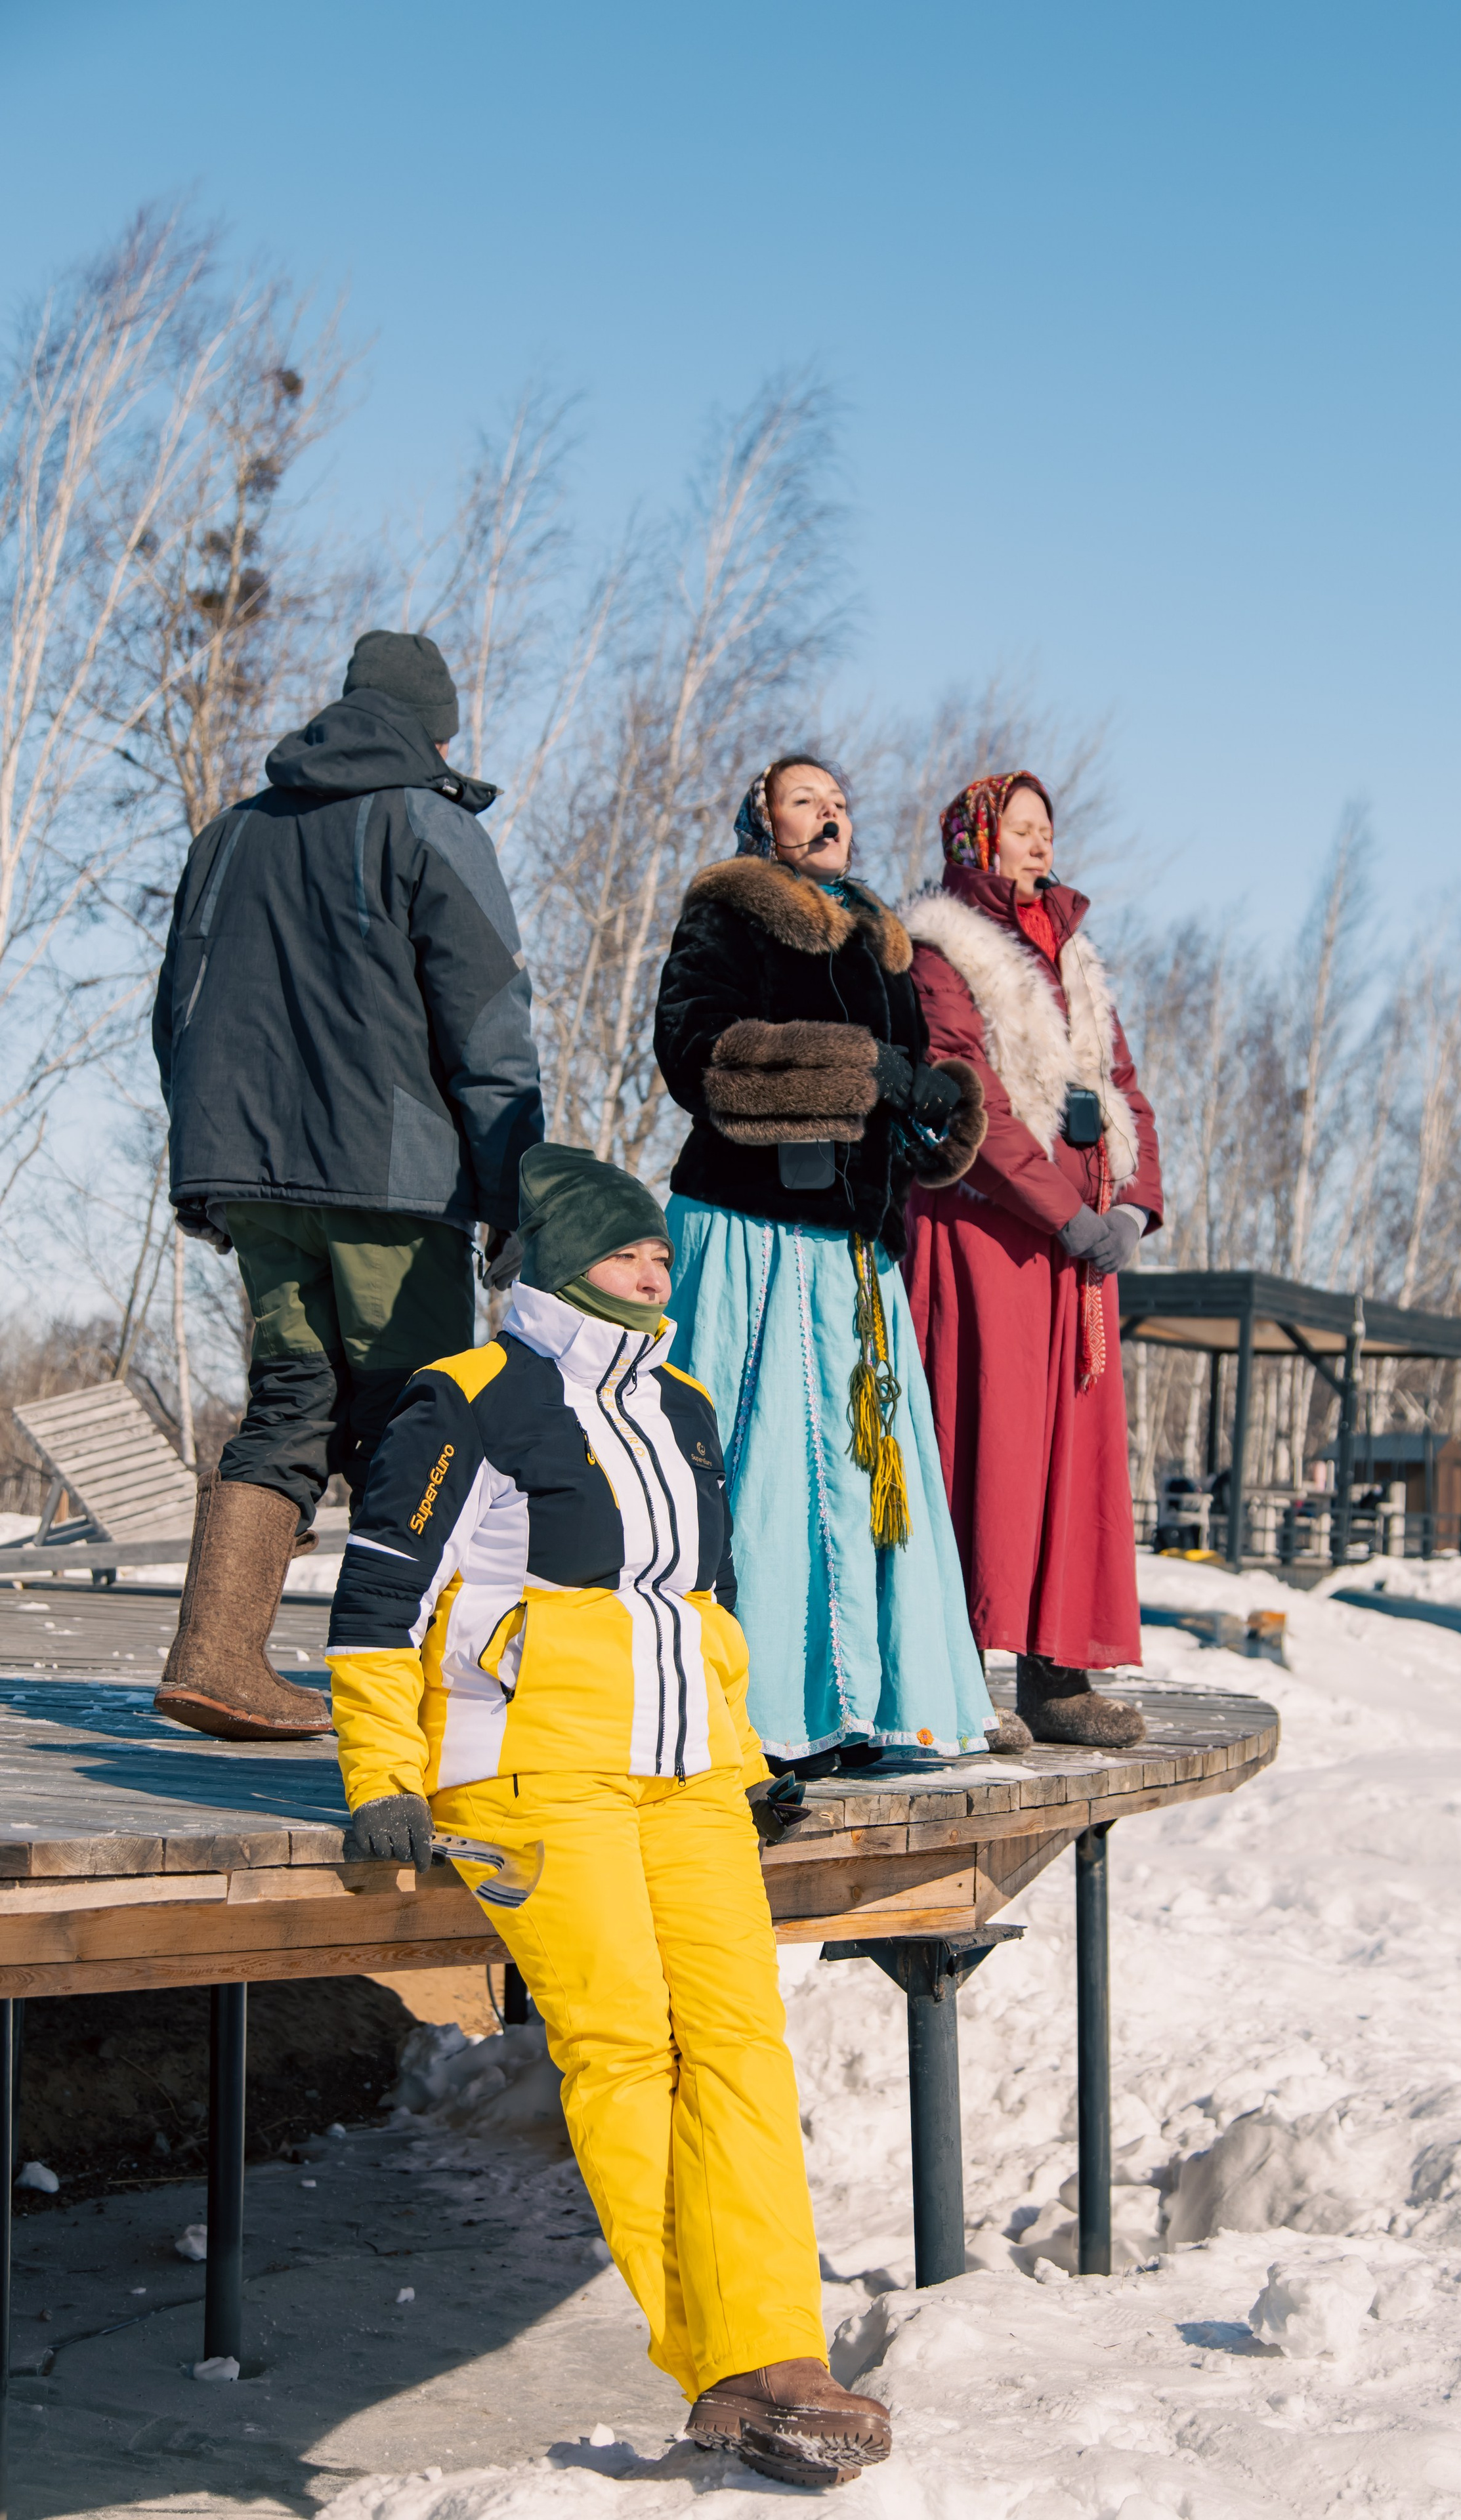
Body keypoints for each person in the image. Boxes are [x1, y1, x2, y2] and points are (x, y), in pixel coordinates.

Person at [325, 1142, 892, 2490]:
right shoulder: (465, 1398)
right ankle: (718, 2367)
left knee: (741, 2041)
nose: (657, 1269)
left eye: (658, 1252)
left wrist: (744, 1755)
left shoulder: (681, 1403)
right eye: (631, 1252)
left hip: (685, 1769)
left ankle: (784, 2346)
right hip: (528, 1768)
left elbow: (697, 1602)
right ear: (565, 1262)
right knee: (622, 2047)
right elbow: (379, 1600)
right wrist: (378, 1779)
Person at [151, 631, 543, 1743]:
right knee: (413, 1417)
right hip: (392, 1181)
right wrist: (513, 1185)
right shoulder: (429, 822)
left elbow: (174, 1007)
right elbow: (486, 1019)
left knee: (290, 1401)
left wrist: (208, 1167)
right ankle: (404, 1696)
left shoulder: (231, 834)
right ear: (438, 730)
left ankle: (216, 1655)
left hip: (255, 1179)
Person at [652, 755, 998, 1766]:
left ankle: (859, 1705)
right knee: (758, 1465)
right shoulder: (729, 911)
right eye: (806, 799)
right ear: (761, 820)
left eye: (841, 801)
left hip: (854, 1248)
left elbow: (904, 1079)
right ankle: (751, 1710)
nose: (831, 813)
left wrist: (932, 1110)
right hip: (751, 1234)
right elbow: (697, 1052)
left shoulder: (885, 938)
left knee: (862, 1470)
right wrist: (861, 1071)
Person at [902, 772, 1162, 1746]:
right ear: (977, 841)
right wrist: (1061, 1211)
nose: (1038, 842)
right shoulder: (941, 952)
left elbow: (1122, 1084)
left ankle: (1057, 1678)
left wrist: (1135, 1205)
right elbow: (970, 1088)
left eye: (1045, 827)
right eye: (1018, 828)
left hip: (1079, 1247)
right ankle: (959, 1677)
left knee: (1072, 1458)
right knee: (990, 1445)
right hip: (991, 1235)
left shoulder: (1076, 956)